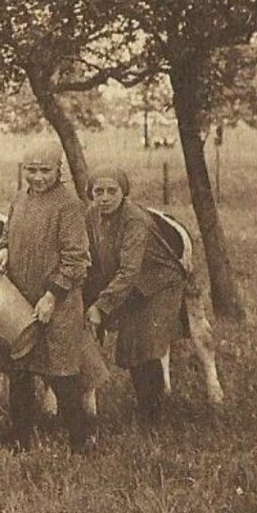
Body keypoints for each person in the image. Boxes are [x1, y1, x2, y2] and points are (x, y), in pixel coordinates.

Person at [0, 140, 94, 452]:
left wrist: (52, 295)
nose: (37, 177)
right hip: (21, 298)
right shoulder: (20, 198)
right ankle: (22, 436)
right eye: (31, 170)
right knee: (19, 369)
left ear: (58, 170)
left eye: (45, 171)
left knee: (62, 372)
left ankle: (80, 440)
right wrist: (4, 249)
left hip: (57, 302)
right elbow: (8, 231)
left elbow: (77, 259)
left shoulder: (68, 205)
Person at [84, 166, 191, 427]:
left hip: (158, 284)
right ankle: (146, 407)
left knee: (145, 345)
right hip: (130, 289)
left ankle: (152, 417)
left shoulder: (135, 220)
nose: (105, 197)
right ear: (91, 194)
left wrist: (101, 307)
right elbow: (94, 258)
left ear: (124, 192)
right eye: (99, 192)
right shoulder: (91, 216)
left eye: (112, 191)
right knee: (131, 346)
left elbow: (129, 270)